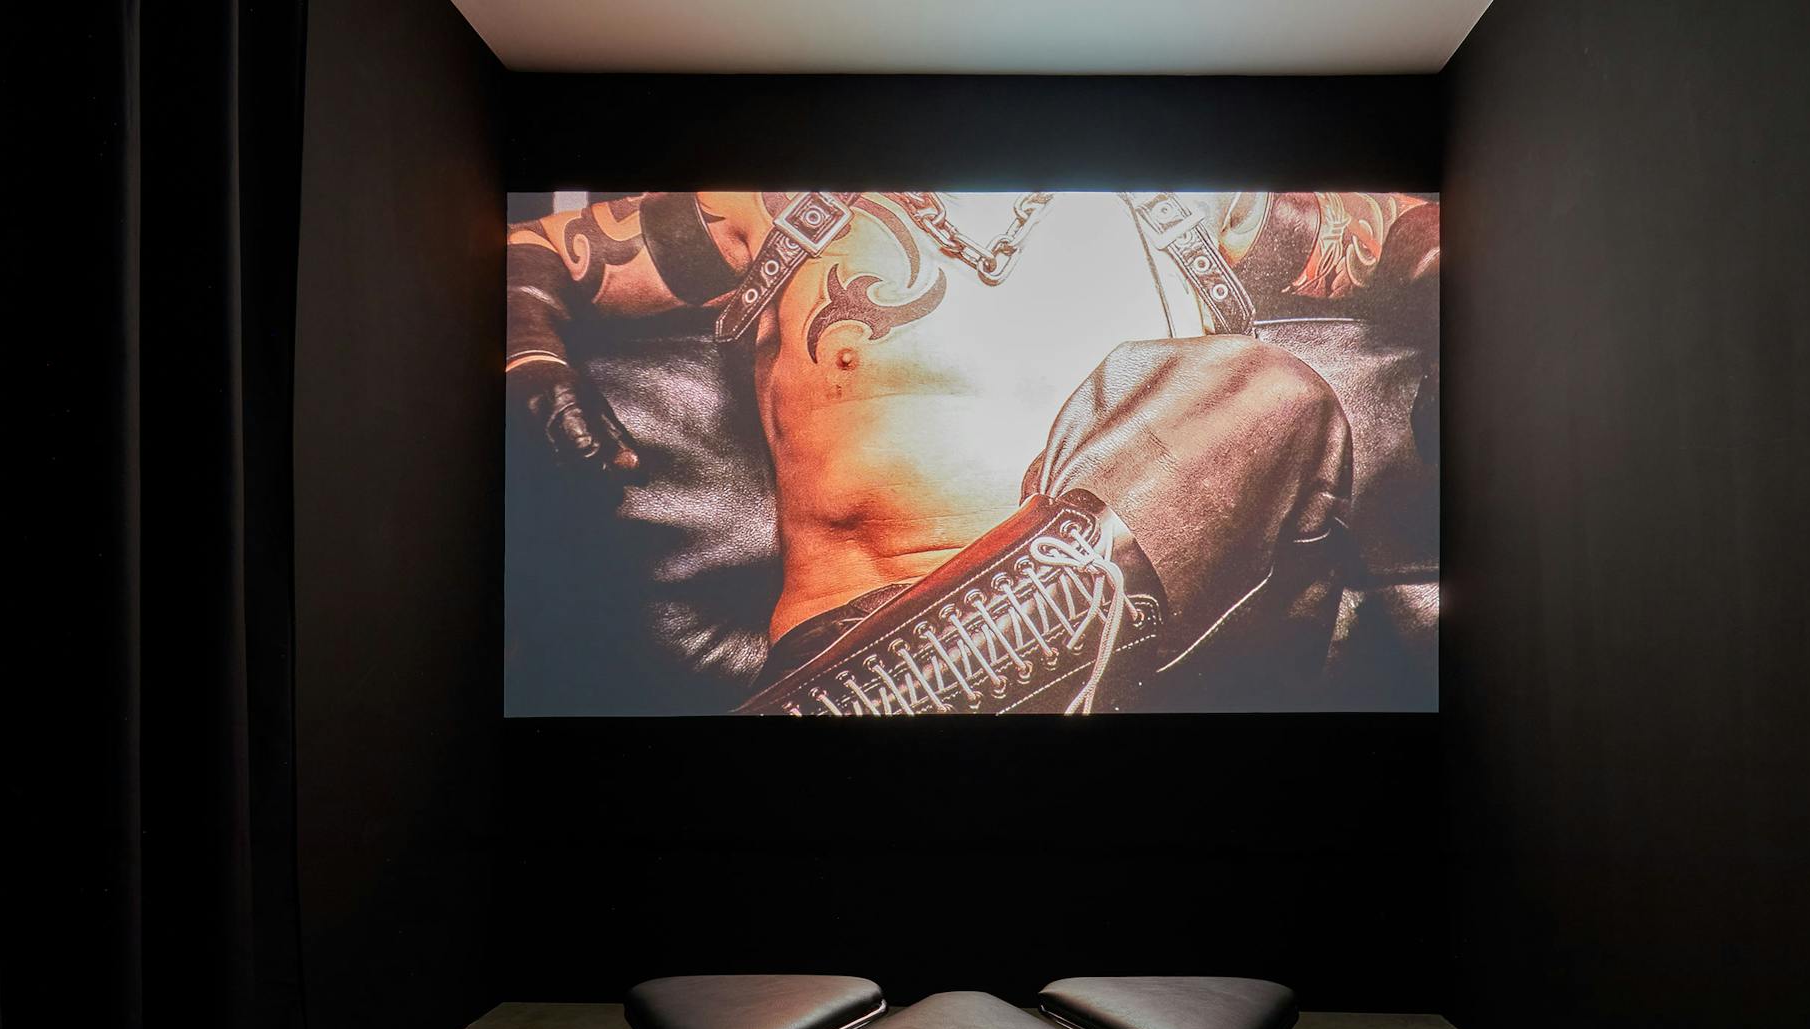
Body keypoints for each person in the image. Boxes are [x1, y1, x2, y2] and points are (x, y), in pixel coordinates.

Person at [506, 190, 1438, 713]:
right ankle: (884, 701)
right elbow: (530, 246)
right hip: (855, 637)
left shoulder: (1196, 199)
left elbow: (1418, 232)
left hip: (1164, 664)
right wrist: (530, 351)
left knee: (1265, 396)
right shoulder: (779, 197)